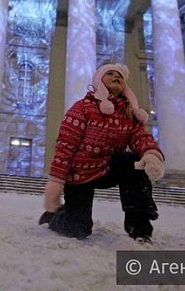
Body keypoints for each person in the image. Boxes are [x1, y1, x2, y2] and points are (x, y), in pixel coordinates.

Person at [39, 63, 164, 241]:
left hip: (108, 168)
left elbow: (141, 138)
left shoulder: (128, 114)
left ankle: (140, 228)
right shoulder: (83, 107)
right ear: (99, 81)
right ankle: (54, 217)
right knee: (78, 229)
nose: (116, 77)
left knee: (134, 162)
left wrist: (150, 154)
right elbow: (65, 146)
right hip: (79, 174)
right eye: (110, 74)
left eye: (120, 76)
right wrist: (57, 181)